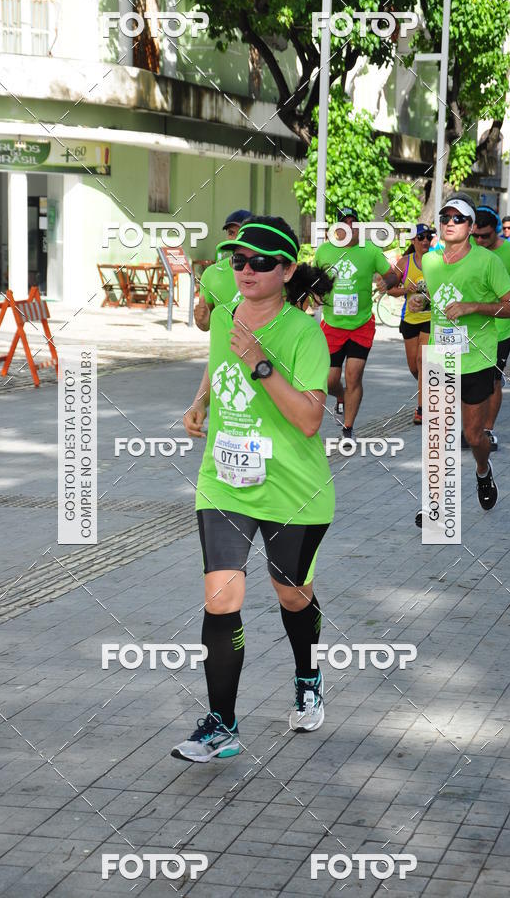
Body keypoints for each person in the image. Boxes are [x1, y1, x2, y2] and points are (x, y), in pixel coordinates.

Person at [172, 216, 336, 763]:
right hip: (225, 482)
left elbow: (311, 419)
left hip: (294, 489)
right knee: (222, 596)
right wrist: (201, 400)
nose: (245, 269)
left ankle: (308, 676)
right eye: (238, 260)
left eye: (261, 261)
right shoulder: (224, 315)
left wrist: (258, 362)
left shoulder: (303, 332)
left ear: (287, 270)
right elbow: (217, 365)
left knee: (290, 593)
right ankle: (222, 726)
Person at [409, 193, 510, 511]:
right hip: (440, 356)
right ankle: (435, 502)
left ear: (471, 226)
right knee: (437, 436)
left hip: (475, 360)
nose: (449, 223)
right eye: (444, 218)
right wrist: (422, 301)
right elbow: (435, 295)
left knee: (473, 436)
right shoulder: (431, 261)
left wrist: (474, 306)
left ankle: (483, 472)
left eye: (458, 218)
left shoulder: (488, 262)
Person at [314, 207, 398, 438]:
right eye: (344, 223)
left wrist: (387, 283)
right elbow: (315, 280)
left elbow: (394, 274)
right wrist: (315, 293)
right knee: (330, 379)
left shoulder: (369, 251)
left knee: (354, 374)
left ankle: (348, 428)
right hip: (332, 324)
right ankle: (340, 396)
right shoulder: (324, 251)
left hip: (361, 324)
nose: (349, 227)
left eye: (353, 222)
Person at [472, 206, 510, 449]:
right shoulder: (470, 250)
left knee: (494, 381)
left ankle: (487, 431)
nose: (479, 240)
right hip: (473, 327)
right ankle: (470, 428)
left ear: (496, 231)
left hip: (501, 328)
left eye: (485, 236)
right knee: (471, 380)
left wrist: (505, 292)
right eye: (475, 235)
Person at [383, 223, 435, 424]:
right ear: (413, 240)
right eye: (420, 237)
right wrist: (406, 290)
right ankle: (427, 388)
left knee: (423, 361)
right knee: (414, 366)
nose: (424, 241)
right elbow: (389, 289)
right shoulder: (405, 262)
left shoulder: (437, 261)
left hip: (430, 319)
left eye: (428, 237)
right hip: (410, 320)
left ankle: (421, 409)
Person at [194, 209, 252, 331]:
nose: (236, 239)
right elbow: (205, 325)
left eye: (242, 232)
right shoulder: (211, 274)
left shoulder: (269, 271)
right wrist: (202, 320)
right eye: (231, 233)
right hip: (221, 349)